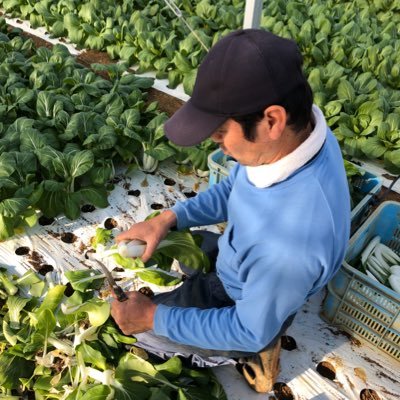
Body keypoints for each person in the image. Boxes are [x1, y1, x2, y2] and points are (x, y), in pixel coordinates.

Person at [111, 29, 351, 393]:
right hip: (245, 257)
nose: (217, 145)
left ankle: (254, 354)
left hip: (250, 308)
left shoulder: (291, 244)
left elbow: (248, 327)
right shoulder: (298, 135)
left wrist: (152, 317)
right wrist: (166, 219)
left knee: (135, 332)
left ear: (271, 120)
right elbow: (236, 186)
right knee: (177, 247)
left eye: (221, 132)